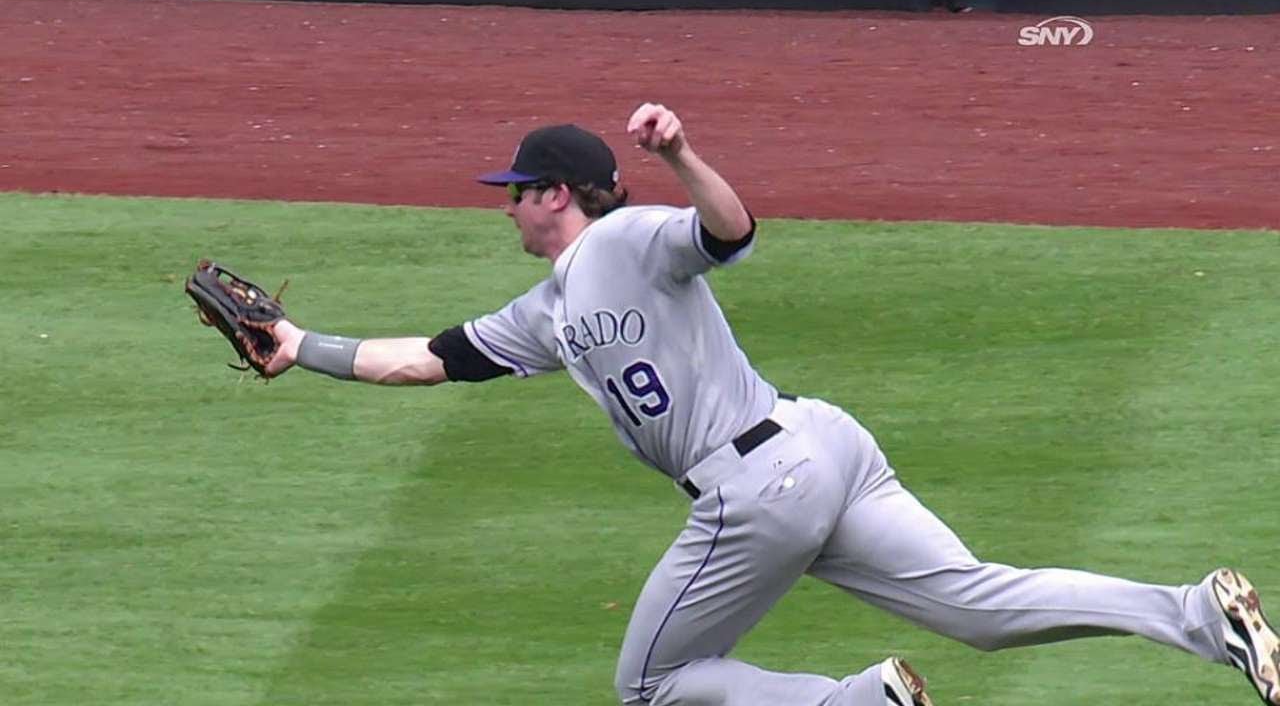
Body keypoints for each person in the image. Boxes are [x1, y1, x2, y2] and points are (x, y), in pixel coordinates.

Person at [260, 103, 1279, 706]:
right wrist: (299, 347)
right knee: (976, 608)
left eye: (517, 188)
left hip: (757, 484)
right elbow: (426, 361)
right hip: (820, 448)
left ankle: (855, 704)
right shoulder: (547, 309)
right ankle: (1196, 615)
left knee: (651, 686)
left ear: (558, 193)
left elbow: (730, 232)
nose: (506, 202)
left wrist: (676, 151)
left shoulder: (627, 240)